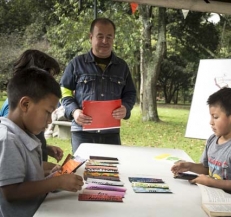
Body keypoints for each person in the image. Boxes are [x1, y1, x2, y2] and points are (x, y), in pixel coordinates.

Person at [0, 68, 84, 217]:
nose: (50, 120)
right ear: (25, 104)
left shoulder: (26, 133)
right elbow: (11, 192)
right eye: (48, 112)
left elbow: (26, 174)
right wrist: (56, 183)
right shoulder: (8, 139)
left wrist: (48, 175)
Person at [60, 18, 136, 153]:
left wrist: (126, 107)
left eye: (109, 37)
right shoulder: (76, 64)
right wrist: (74, 111)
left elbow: (130, 93)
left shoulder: (122, 67)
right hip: (82, 132)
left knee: (112, 171)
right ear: (91, 37)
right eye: (100, 36)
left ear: (114, 38)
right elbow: (63, 91)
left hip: (111, 133)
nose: (105, 41)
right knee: (82, 170)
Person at [171, 88, 231, 195]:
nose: (211, 122)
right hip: (211, 195)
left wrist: (211, 182)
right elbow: (206, 168)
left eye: (215, 117)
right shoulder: (212, 139)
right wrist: (190, 166)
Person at [0, 49, 63, 162]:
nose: (51, 82)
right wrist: (56, 179)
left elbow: (25, 143)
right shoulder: (12, 113)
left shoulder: (31, 109)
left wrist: (44, 149)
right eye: (49, 77)